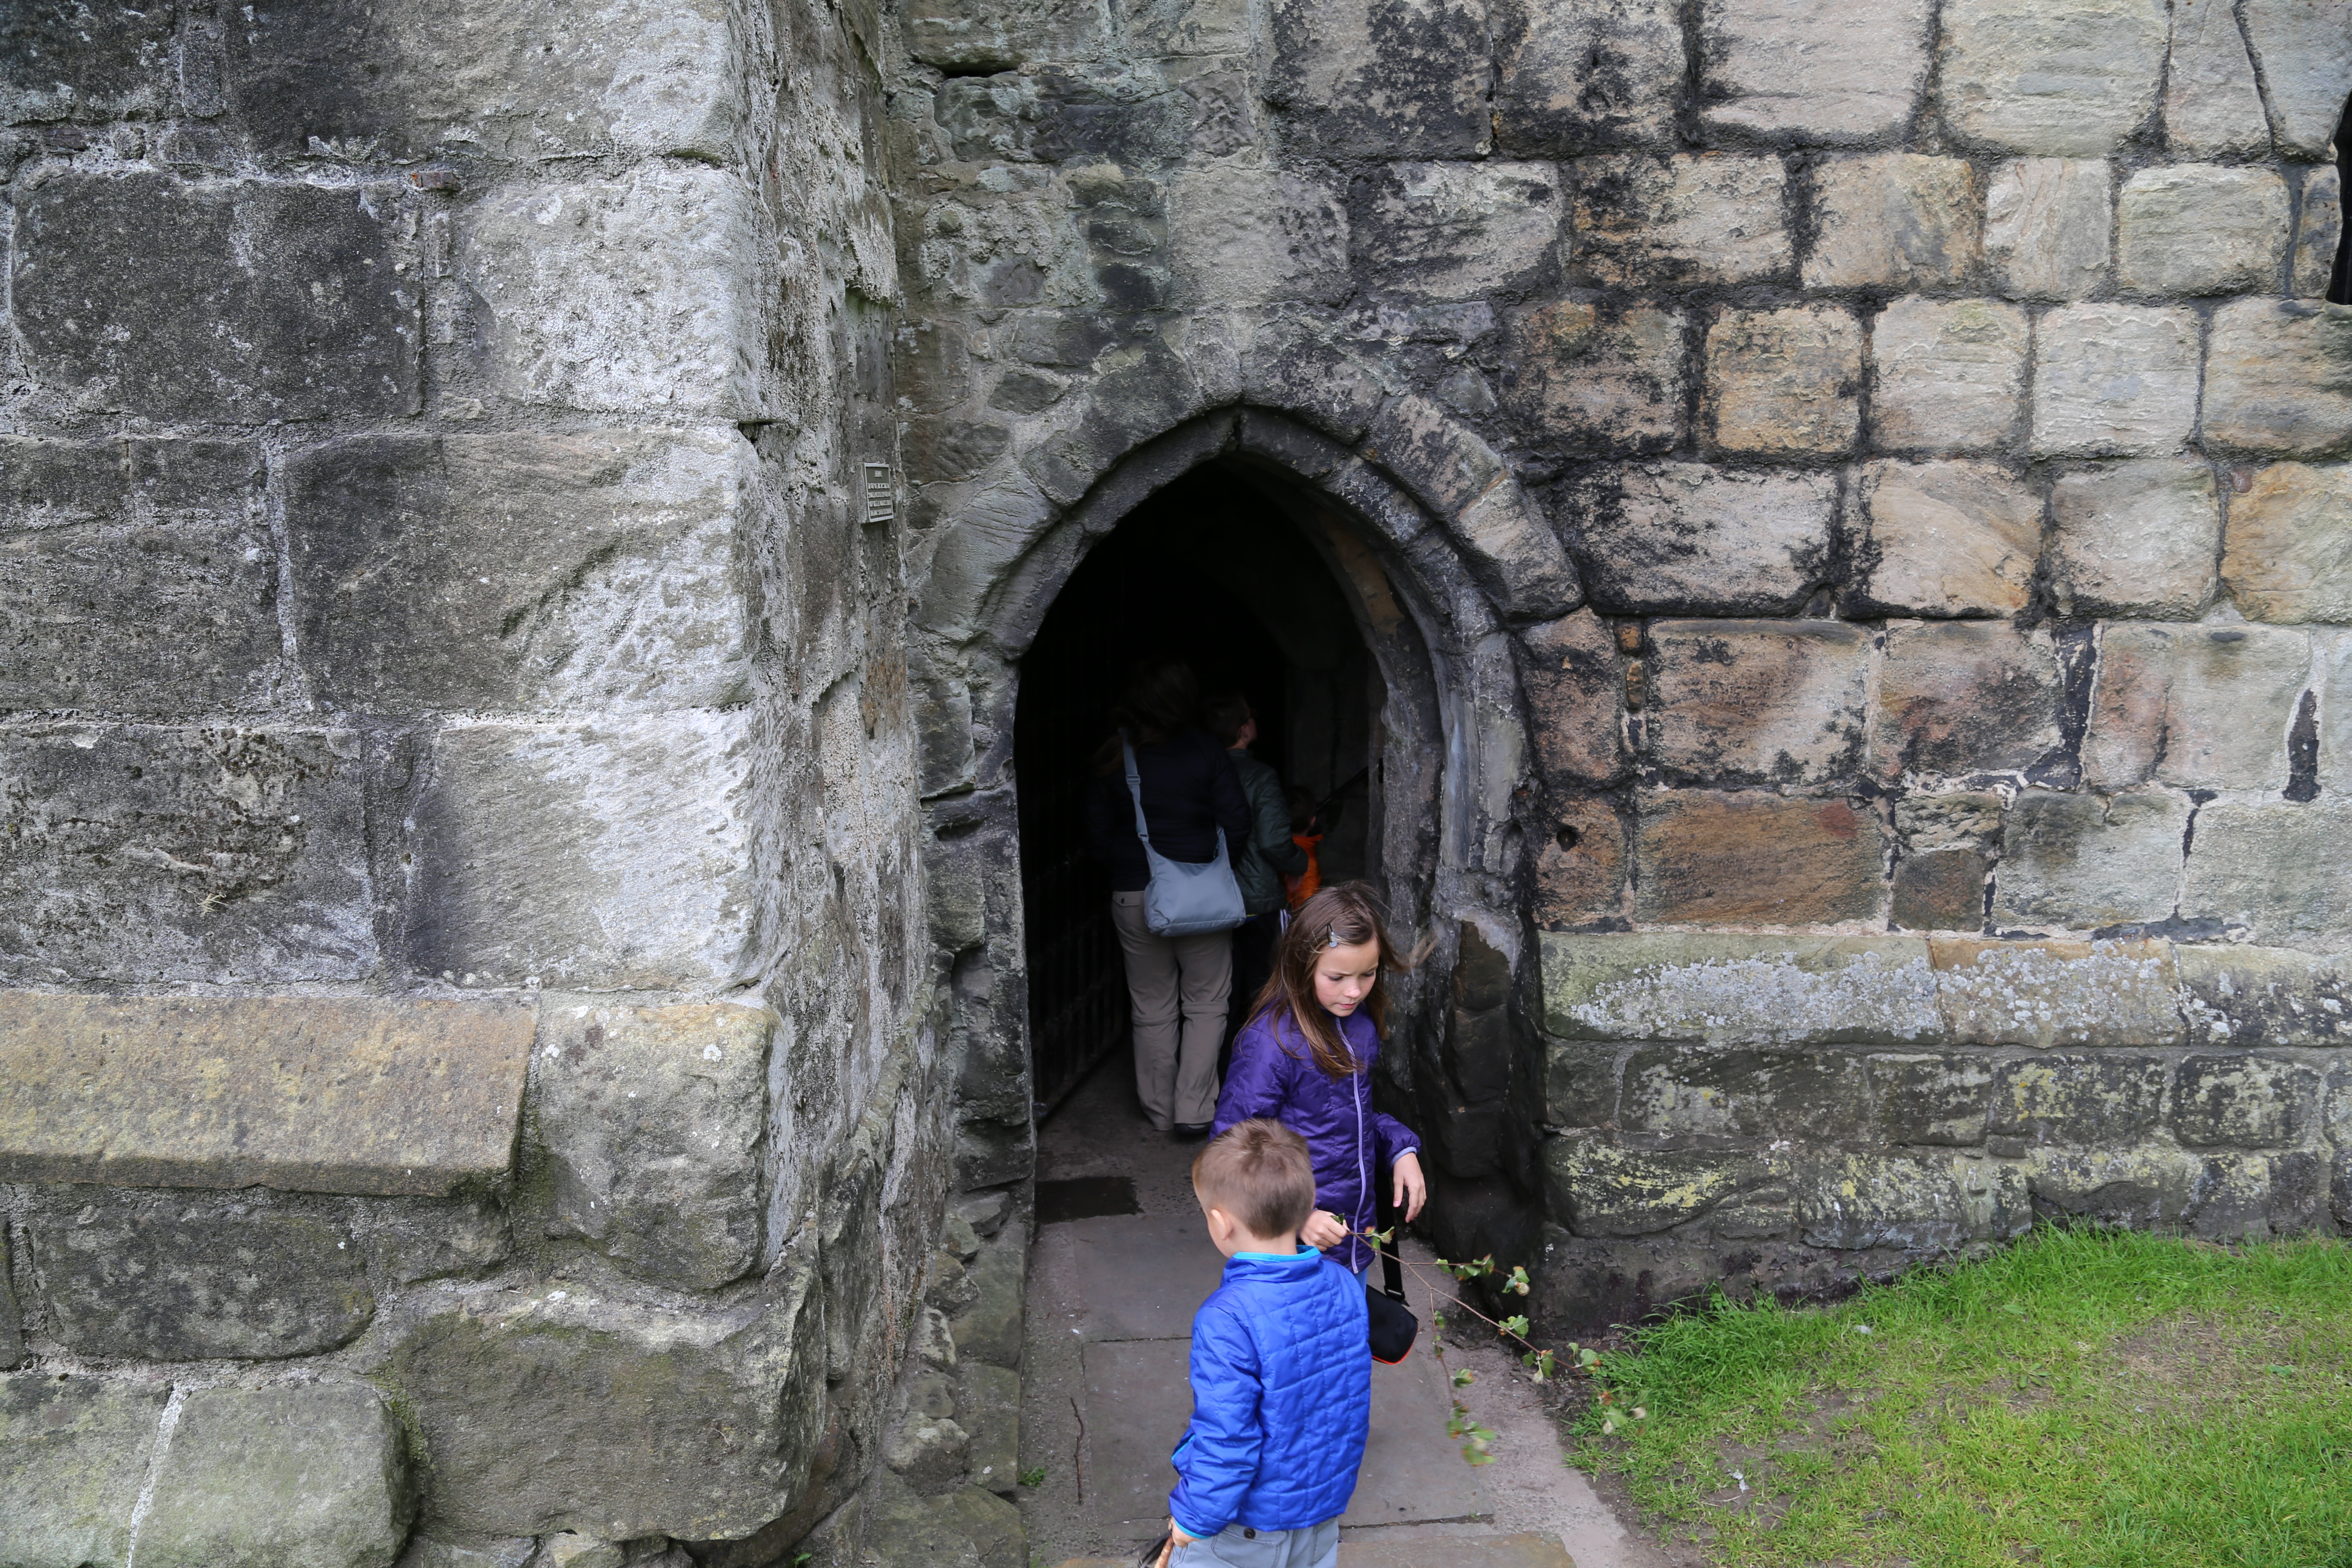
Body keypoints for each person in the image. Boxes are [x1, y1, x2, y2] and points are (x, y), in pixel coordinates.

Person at [1158, 1118, 1370, 1568]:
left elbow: (1228, 1437)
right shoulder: (1343, 1284)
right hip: (1320, 1516)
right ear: (1310, 1204)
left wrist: (1193, 1519)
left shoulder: (1227, 1317)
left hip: (1247, 1532)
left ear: (1220, 1224)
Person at [1211, 883, 1426, 1280]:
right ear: (1300, 964)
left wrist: (1400, 1150)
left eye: (1368, 974)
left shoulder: (1358, 1026)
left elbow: (1352, 1120)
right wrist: (1297, 1219)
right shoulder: (1269, 1044)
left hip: (1352, 1241)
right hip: (1288, 1254)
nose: (1355, 990)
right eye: (1338, 976)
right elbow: (1234, 1151)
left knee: (1346, 1340)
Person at [1084, 658, 1252, 1136]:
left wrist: (1125, 871)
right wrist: (1214, 871)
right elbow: (1237, 821)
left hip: (1134, 893)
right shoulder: (1205, 750)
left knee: (1152, 1005)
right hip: (1201, 892)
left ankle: (1157, 1108)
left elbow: (1096, 834)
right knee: (1207, 1002)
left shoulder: (1114, 756)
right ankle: (1195, 1111)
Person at [1200, 691, 1308, 1059]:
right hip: (1258, 900)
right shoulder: (1260, 776)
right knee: (1267, 989)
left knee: (1216, 995)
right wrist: (1300, 865)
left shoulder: (1200, 770)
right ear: (1245, 729)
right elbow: (1276, 842)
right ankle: (1261, 1068)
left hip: (1210, 899)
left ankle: (1220, 1075)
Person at [1283, 785, 1323, 911]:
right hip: (1293, 924)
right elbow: (1307, 907)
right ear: (1313, 821)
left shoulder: (1276, 850)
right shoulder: (1307, 862)